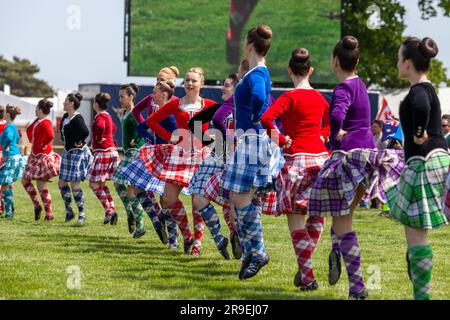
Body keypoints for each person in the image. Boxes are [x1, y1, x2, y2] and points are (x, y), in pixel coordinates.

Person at [308, 35, 404, 299]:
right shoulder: (361, 84)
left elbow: (337, 114)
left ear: (335, 61)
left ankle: (357, 287)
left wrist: (333, 136)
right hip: (368, 157)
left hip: (348, 156)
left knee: (341, 219)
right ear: (357, 61)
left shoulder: (342, 89)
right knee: (343, 216)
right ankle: (337, 255)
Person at [261, 48, 330, 291]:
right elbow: (329, 123)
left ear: (290, 70)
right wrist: (322, 136)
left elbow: (266, 119)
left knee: (296, 216)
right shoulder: (321, 98)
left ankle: (308, 275)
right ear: (310, 71)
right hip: (321, 159)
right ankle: (305, 269)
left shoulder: (288, 98)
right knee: (317, 213)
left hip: (297, 159)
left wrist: (281, 140)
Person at [388, 37, 449, 300]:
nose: (397, 62)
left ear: (408, 63)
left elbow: (420, 106)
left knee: (415, 233)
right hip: (436, 159)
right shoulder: (427, 86)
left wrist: (417, 134)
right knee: (415, 231)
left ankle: (421, 297)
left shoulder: (419, 92)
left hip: (423, 163)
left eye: (399, 58)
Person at [222, 24, 284, 280]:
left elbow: (259, 96)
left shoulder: (257, 73)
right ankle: (251, 250)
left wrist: (257, 115)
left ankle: (257, 251)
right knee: (241, 199)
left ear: (249, 46)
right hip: (251, 141)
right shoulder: (256, 71)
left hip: (252, 141)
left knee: (240, 197)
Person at [141, 67, 217, 255]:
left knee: (197, 200)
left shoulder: (209, 104)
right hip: (180, 154)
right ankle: (187, 235)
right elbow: (151, 121)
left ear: (202, 83)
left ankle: (197, 244)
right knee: (168, 198)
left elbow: (224, 123)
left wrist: (215, 140)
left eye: (194, 81)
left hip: (201, 155)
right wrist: (170, 136)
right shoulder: (177, 104)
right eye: (188, 81)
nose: (190, 84)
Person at [188, 72, 242, 260]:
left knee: (233, 204)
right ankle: (220, 239)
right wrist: (213, 144)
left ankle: (238, 237)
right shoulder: (220, 108)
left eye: (227, 85)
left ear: (237, 89)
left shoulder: (244, 108)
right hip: (216, 157)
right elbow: (193, 123)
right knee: (198, 199)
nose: (223, 88)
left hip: (237, 160)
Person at [120, 80, 180, 247]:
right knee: (136, 186)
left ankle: (174, 240)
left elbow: (177, 135)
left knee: (167, 199)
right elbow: (141, 128)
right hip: (151, 153)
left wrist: (165, 139)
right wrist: (148, 137)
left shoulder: (172, 111)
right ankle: (155, 221)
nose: (152, 96)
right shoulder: (158, 111)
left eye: (155, 92)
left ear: (164, 93)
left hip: (166, 157)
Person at [111, 83, 148, 238]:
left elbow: (145, 127)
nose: (120, 99)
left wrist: (137, 139)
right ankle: (130, 212)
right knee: (118, 183)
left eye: (122, 96)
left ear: (131, 97)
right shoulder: (125, 112)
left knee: (132, 190)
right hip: (127, 154)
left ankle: (140, 226)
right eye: (119, 96)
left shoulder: (133, 113)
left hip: (135, 154)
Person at [22, 99, 61, 221]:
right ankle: (37, 206)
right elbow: (29, 130)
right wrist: (32, 140)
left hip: (43, 156)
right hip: (34, 155)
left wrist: (43, 144)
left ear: (39, 110)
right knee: (25, 181)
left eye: (36, 108)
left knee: (41, 185)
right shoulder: (37, 121)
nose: (34, 110)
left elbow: (51, 135)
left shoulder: (46, 122)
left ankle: (49, 214)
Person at [58, 93, 92, 225]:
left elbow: (85, 132)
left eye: (65, 101)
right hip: (67, 153)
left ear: (71, 103)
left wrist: (79, 141)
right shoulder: (66, 116)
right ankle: (69, 211)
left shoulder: (77, 118)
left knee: (74, 184)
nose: (63, 103)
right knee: (61, 183)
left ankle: (82, 214)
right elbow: (63, 133)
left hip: (76, 153)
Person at [87, 93, 120, 225]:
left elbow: (100, 127)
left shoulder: (100, 116)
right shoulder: (108, 115)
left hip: (103, 152)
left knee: (93, 183)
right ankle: (111, 209)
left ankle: (109, 210)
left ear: (96, 104)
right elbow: (114, 128)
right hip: (111, 151)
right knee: (102, 184)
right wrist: (107, 136)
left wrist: (99, 138)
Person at [0, 105, 25, 219]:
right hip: (15, 157)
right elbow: (17, 138)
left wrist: (5, 146)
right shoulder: (13, 126)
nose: (3, 115)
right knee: (7, 185)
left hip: (10, 157)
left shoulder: (9, 127)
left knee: (5, 185)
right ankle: (10, 209)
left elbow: (9, 138)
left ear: (8, 115)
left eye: (5, 113)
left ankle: (9, 212)